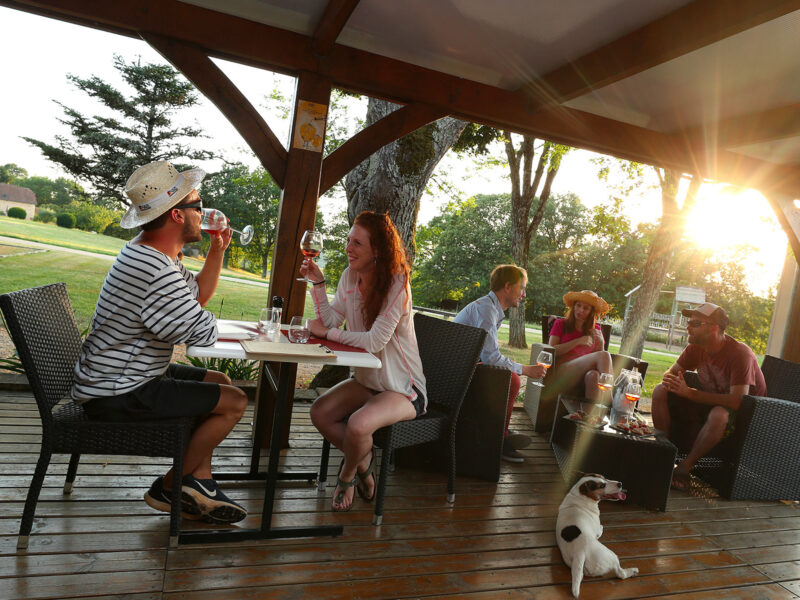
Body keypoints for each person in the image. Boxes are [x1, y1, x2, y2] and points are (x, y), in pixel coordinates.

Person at [70, 160, 249, 524]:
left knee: (221, 383)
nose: (205, 213)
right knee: (235, 402)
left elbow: (195, 296)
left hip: (118, 378)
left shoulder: (150, 254)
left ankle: (200, 482)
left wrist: (218, 250)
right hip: (117, 392)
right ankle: (168, 486)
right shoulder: (154, 269)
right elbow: (199, 331)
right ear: (178, 216)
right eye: (197, 206)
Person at [302, 211, 427, 512]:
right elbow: (332, 319)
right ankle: (365, 462)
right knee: (320, 412)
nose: (348, 248)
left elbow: (374, 341)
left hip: (402, 389)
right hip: (367, 381)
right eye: (348, 240)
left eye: (357, 243)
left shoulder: (397, 284)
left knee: (358, 426)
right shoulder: (349, 276)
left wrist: (328, 332)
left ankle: (347, 474)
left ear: (378, 251)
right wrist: (318, 284)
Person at [651, 302, 765, 490]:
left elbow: (738, 401)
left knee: (719, 414)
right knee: (659, 390)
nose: (688, 327)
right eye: (688, 322)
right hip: (710, 403)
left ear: (714, 327)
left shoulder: (739, 354)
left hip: (745, 418)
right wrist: (673, 382)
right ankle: (666, 453)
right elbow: (669, 376)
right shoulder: (696, 348)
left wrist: (690, 393)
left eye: (695, 323)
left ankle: (684, 469)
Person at [453, 264, 547, 463]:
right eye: (521, 288)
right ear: (507, 286)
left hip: (462, 368)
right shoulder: (486, 310)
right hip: (453, 376)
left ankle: (499, 430)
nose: (523, 294)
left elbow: (487, 355)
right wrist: (525, 369)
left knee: (507, 377)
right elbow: (491, 358)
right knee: (511, 380)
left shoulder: (490, 308)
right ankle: (499, 440)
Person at [547, 290, 613, 403]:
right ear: (573, 306)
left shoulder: (595, 329)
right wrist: (578, 341)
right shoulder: (560, 323)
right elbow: (551, 350)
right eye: (578, 305)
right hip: (564, 370)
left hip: (586, 372)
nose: (580, 310)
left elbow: (600, 362)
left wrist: (601, 342)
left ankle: (588, 417)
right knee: (605, 355)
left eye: (586, 308)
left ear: (591, 312)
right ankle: (610, 402)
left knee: (594, 376)